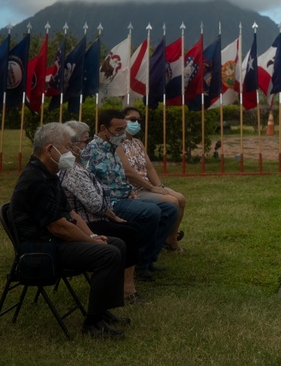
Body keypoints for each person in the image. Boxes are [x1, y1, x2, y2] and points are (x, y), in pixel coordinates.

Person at [10, 122, 128, 338]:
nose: (73, 152)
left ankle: (101, 311)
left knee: (116, 244)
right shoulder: (34, 180)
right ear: (50, 150)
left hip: (56, 243)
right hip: (44, 250)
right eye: (67, 147)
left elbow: (70, 213)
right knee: (108, 253)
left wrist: (91, 236)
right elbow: (58, 226)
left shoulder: (49, 173)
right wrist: (91, 242)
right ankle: (92, 324)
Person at [81, 109, 179, 274]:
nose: (122, 133)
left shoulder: (112, 148)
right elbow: (89, 186)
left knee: (170, 209)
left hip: (125, 197)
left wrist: (129, 191)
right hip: (110, 204)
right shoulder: (92, 152)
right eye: (118, 130)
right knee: (152, 211)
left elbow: (119, 178)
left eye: (123, 129)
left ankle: (146, 258)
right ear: (104, 129)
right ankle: (140, 262)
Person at [62, 121, 144, 302]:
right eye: (84, 142)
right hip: (88, 222)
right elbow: (95, 204)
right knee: (129, 233)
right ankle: (127, 289)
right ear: (72, 145)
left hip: (92, 217)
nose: (88, 145)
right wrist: (113, 215)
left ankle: (126, 282)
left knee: (132, 228)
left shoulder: (78, 165)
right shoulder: (72, 170)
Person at [118, 107, 187, 253]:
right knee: (172, 201)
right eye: (132, 119)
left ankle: (171, 238)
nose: (136, 123)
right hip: (133, 190)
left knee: (181, 199)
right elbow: (128, 172)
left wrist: (159, 186)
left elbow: (149, 168)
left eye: (138, 120)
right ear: (122, 120)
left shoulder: (138, 143)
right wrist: (151, 188)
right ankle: (160, 242)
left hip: (147, 187)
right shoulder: (117, 144)